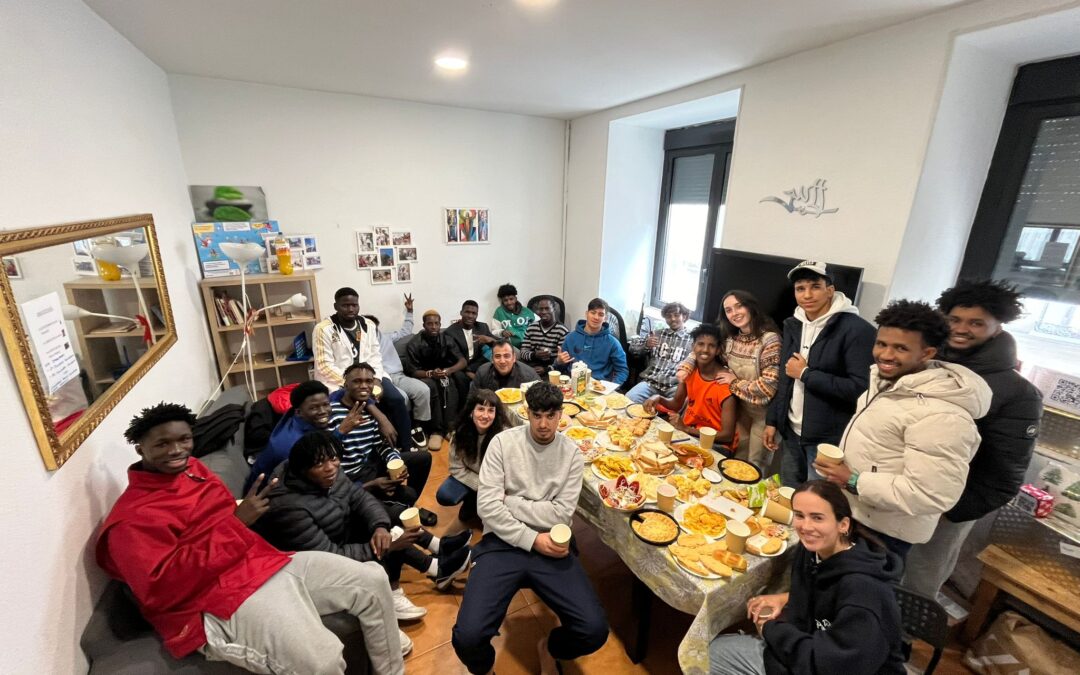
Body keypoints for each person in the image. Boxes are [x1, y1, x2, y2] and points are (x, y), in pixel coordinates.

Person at [96, 403, 407, 674]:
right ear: (140, 449)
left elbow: (214, 516)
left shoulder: (193, 469)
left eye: (184, 440)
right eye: (162, 444)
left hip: (258, 562)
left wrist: (241, 512)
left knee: (373, 578)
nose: (176, 450)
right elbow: (161, 589)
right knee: (323, 661)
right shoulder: (131, 520)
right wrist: (236, 524)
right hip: (213, 601)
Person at [812, 299, 991, 562]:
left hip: (883, 533)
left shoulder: (944, 415)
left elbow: (931, 493)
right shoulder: (885, 382)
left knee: (856, 596)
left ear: (927, 354)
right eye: (881, 344)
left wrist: (852, 480)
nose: (885, 355)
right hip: (855, 513)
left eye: (900, 348)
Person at [452, 383, 609, 674]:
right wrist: (532, 537)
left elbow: (561, 513)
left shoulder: (571, 454)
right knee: (467, 637)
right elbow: (487, 508)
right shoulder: (502, 443)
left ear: (561, 415)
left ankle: (550, 647)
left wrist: (510, 501)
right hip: (502, 542)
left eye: (551, 416)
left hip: (553, 543)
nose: (543, 424)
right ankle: (484, 668)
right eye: (537, 415)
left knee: (594, 629)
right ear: (527, 412)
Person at [903, 280, 1042, 599]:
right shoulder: (926, 365)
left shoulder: (1018, 393)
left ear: (997, 327)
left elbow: (1004, 476)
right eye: (955, 320)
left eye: (976, 323)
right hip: (898, 494)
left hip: (946, 509)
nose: (962, 329)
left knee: (918, 579)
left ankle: (900, 643)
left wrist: (948, 511)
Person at [255, 431, 472, 623]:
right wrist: (388, 546)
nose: (330, 467)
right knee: (391, 538)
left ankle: (437, 558)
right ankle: (401, 588)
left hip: (338, 529)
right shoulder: (289, 509)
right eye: (320, 464)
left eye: (333, 459)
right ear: (303, 468)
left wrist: (379, 526)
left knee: (387, 521)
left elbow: (359, 497)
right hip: (318, 563)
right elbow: (329, 557)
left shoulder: (328, 473)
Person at [709, 480, 905, 675]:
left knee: (711, 658)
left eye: (818, 518)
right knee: (714, 650)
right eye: (799, 516)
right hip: (810, 648)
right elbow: (821, 595)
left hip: (828, 666)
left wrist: (770, 629)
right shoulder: (813, 550)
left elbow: (830, 665)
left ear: (843, 524)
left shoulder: (864, 592)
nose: (806, 526)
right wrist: (786, 598)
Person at [764, 261, 876, 487]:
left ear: (830, 290)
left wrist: (805, 374)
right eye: (800, 288)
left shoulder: (857, 330)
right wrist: (773, 421)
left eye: (815, 286)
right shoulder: (793, 324)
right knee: (790, 494)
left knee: (819, 501)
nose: (807, 295)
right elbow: (785, 377)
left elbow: (861, 389)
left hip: (827, 442)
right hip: (792, 432)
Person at [328, 363, 437, 527]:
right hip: (348, 479)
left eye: (369, 381)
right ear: (345, 384)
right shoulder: (332, 413)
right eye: (357, 381)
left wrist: (394, 462)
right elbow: (326, 458)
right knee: (406, 496)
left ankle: (403, 507)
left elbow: (381, 446)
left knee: (423, 459)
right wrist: (368, 486)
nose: (364, 386)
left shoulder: (370, 410)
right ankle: (392, 509)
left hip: (367, 468)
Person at [245, 380, 394, 493]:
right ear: (298, 411)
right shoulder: (293, 445)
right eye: (314, 408)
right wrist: (370, 486)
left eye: (325, 404)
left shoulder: (297, 417)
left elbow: (340, 393)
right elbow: (320, 490)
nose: (323, 411)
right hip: (273, 501)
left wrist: (380, 416)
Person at [313, 286, 413, 453]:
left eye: (354, 305)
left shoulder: (367, 325)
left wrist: (377, 380)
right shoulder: (323, 329)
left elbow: (375, 355)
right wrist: (353, 383)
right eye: (345, 305)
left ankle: (406, 448)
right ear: (336, 306)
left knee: (396, 399)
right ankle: (374, 447)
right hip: (337, 381)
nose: (351, 309)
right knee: (358, 404)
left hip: (370, 377)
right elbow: (324, 365)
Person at [644, 323, 739, 454]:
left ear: (718, 350)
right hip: (687, 435)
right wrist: (658, 398)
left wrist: (687, 429)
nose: (705, 350)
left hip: (716, 444)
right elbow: (676, 404)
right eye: (700, 344)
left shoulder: (725, 382)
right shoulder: (689, 371)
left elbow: (727, 436)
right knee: (650, 445)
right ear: (693, 346)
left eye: (711, 345)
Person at [364, 294, 432, 449]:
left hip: (398, 375)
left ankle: (417, 425)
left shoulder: (386, 337)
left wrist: (410, 311)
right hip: (380, 380)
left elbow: (405, 331)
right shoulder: (360, 345)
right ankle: (405, 431)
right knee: (402, 398)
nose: (372, 331)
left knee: (423, 390)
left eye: (374, 327)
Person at [437, 388, 511, 521]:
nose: (485, 415)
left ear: (496, 414)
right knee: (445, 495)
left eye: (491, 410)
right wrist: (482, 487)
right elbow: (456, 468)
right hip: (475, 480)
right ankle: (472, 500)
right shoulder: (459, 433)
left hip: (497, 485)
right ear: (471, 412)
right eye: (481, 409)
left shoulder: (505, 436)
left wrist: (496, 491)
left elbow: (509, 474)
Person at [404, 309, 470, 449]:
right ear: (424, 325)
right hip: (424, 376)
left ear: (440, 325)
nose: (433, 327)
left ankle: (450, 427)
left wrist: (449, 371)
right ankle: (436, 431)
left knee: (451, 381)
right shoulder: (414, 344)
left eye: (436, 323)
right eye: (430, 324)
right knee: (432, 386)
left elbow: (462, 361)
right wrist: (430, 374)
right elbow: (412, 371)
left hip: (442, 373)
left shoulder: (446, 339)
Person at [626, 301, 693, 404]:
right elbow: (632, 349)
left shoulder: (692, 340)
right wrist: (646, 345)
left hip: (674, 386)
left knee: (684, 407)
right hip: (651, 382)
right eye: (669, 316)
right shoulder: (657, 334)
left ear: (684, 317)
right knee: (628, 399)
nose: (673, 319)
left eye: (676, 315)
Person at [557, 298, 628, 385]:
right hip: (573, 385)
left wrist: (611, 388)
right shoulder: (571, 337)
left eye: (601, 314)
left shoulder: (613, 342)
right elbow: (559, 367)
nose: (596, 317)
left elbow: (622, 371)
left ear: (605, 318)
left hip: (599, 388)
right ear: (587, 314)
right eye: (593, 313)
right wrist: (559, 362)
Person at [445, 300, 498, 375]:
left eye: (474, 313)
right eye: (467, 312)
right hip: (460, 367)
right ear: (461, 313)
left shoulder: (482, 327)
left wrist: (491, 340)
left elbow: (502, 344)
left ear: (477, 315)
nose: (470, 316)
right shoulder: (450, 332)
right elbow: (458, 358)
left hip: (478, 365)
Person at [519, 296, 569, 375]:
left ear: (554, 309)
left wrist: (547, 369)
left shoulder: (562, 331)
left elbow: (562, 359)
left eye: (547, 308)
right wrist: (534, 355)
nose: (543, 312)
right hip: (532, 365)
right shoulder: (531, 328)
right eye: (541, 309)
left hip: (552, 369)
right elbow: (523, 352)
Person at [471, 339, 540, 393]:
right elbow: (472, 400)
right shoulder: (482, 372)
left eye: (507, 356)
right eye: (497, 356)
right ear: (492, 359)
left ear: (514, 358)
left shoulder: (529, 376)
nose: (502, 361)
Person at [492, 283, 536, 348]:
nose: (509, 302)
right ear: (502, 301)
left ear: (515, 298)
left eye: (511, 299)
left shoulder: (526, 311)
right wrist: (502, 332)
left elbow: (539, 324)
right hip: (511, 347)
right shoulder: (499, 311)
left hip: (529, 345)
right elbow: (494, 332)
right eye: (505, 300)